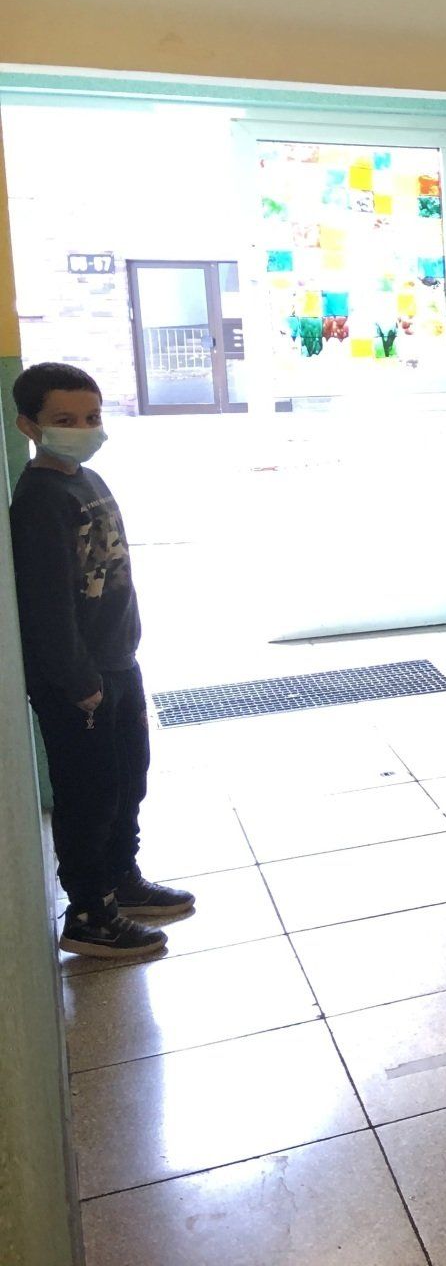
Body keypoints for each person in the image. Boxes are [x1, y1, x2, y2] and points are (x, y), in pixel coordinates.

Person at [10, 363, 193, 958]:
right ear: (28, 425)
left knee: (127, 778)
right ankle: (89, 912)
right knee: (89, 795)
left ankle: (120, 878)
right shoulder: (40, 500)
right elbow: (46, 605)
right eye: (64, 420)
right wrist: (79, 680)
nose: (83, 429)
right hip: (80, 679)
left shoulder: (85, 480)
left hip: (117, 662)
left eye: (91, 417)